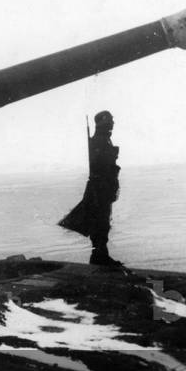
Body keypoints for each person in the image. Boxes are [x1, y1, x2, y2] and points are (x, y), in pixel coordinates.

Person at [58, 110, 123, 267]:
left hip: (102, 187)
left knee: (102, 222)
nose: (113, 123)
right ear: (103, 121)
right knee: (100, 223)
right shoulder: (100, 141)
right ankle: (99, 256)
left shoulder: (103, 140)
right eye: (110, 120)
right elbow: (103, 166)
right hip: (100, 188)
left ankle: (100, 255)